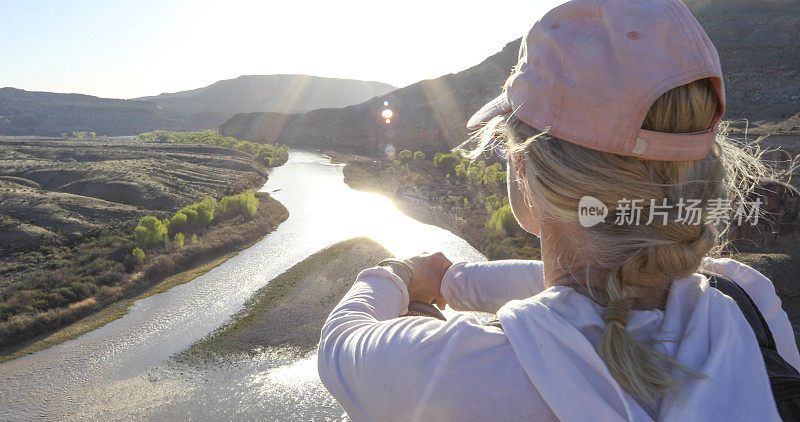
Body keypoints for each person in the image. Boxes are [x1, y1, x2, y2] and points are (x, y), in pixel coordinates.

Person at [317, 0, 800, 420]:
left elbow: (339, 344)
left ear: (525, 163)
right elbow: (608, 288)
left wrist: (396, 273)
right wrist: (453, 281)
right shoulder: (748, 297)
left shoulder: (465, 371)